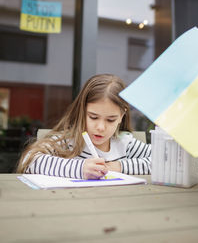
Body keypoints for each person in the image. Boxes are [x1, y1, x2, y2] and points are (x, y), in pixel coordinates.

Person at [17, 74, 151, 179]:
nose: (100, 127)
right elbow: (29, 160)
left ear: (122, 116)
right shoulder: (68, 141)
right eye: (93, 117)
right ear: (82, 111)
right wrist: (80, 169)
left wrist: (119, 166)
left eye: (110, 120)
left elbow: (164, 160)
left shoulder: (125, 144)